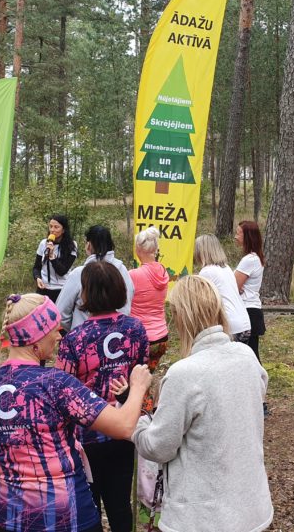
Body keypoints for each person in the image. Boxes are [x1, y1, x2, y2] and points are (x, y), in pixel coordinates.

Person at [0, 293, 151, 532]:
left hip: (11, 519)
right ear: (35, 340)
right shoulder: (57, 384)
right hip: (69, 517)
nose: (60, 336)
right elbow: (123, 425)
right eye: (54, 329)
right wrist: (138, 386)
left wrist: (10, 443)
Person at [131, 275, 273, 532]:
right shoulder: (247, 355)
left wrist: (140, 423)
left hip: (202, 518)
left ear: (180, 316)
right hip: (251, 508)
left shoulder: (184, 374)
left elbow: (158, 447)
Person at [56, 261, 149, 532]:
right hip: (125, 427)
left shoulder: (74, 339)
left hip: (87, 436)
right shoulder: (136, 329)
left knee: (89, 507)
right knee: (120, 505)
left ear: (87, 293)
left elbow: (64, 392)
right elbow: (140, 375)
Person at [56, 225, 134, 331]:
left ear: (88, 245)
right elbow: (126, 305)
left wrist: (77, 330)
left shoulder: (79, 273)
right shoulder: (122, 270)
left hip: (83, 339)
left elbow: (61, 311)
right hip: (115, 337)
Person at [128, 226, 169, 374]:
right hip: (162, 337)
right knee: (148, 376)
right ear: (155, 249)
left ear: (138, 249)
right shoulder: (163, 271)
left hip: (140, 338)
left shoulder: (133, 275)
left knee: (135, 383)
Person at [194, 234, 250, 342]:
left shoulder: (206, 272)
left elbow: (203, 302)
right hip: (244, 323)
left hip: (230, 326)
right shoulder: (226, 268)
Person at [234, 221, 266, 361]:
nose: (235, 236)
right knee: (250, 353)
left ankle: (258, 381)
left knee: (249, 355)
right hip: (251, 309)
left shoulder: (249, 260)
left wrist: (235, 286)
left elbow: (233, 285)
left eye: (238, 233)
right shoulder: (254, 258)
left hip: (248, 310)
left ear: (247, 236)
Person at [32, 214, 78, 302]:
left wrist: (52, 256)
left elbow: (62, 271)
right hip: (43, 289)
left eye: (56, 227)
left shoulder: (72, 246)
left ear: (63, 230)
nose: (52, 230)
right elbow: (36, 267)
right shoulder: (43, 243)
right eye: (51, 226)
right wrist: (37, 278)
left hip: (62, 289)